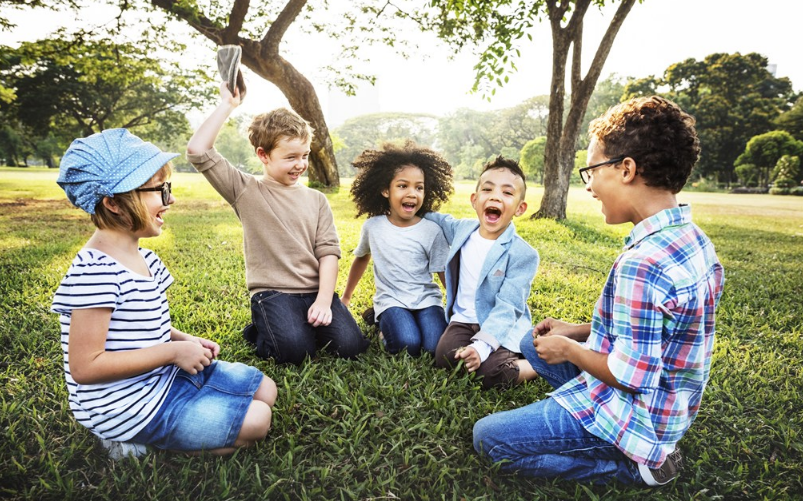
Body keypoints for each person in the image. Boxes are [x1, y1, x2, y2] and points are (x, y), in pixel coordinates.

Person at [473, 96, 725, 486]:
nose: (588, 186)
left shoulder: (644, 263)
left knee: (489, 439)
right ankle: (584, 411)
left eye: (590, 171)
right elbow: (657, 330)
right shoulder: (691, 239)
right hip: (668, 407)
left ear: (626, 169)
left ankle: (633, 468)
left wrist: (570, 350)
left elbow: (633, 377)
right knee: (530, 342)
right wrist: (576, 331)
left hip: (637, 416)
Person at [51, 129, 277, 459]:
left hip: (162, 379)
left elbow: (140, 328)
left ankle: (177, 424)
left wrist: (184, 340)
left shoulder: (146, 259)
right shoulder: (96, 272)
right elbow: (86, 366)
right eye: (160, 190)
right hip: (127, 406)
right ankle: (140, 446)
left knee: (266, 391)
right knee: (258, 421)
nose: (170, 200)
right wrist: (172, 353)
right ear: (113, 202)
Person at [186, 82, 369, 365]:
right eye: (291, 157)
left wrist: (323, 301)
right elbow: (198, 151)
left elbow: (328, 253)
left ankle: (302, 325)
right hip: (273, 294)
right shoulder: (245, 190)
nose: (300, 164)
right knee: (294, 353)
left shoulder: (317, 199)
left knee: (351, 346)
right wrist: (228, 105)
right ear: (263, 155)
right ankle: (260, 330)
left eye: (305, 155)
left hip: (314, 291)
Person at [424, 156, 539, 390]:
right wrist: (407, 205)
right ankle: (478, 353)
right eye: (488, 189)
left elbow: (508, 306)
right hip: (463, 321)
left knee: (490, 374)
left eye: (507, 193)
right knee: (445, 358)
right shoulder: (462, 230)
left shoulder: (523, 254)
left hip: (500, 324)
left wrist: (481, 347)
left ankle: (536, 363)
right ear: (475, 200)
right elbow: (435, 217)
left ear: (520, 208)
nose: (495, 196)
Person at [340, 141, 453, 356]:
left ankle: (388, 321)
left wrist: (459, 306)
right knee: (406, 344)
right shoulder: (373, 227)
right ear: (385, 190)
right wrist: (346, 297)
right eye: (403, 186)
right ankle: (383, 324)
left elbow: (442, 271)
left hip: (427, 300)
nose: (412, 193)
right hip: (391, 300)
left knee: (433, 347)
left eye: (419, 187)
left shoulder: (432, 230)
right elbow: (362, 258)